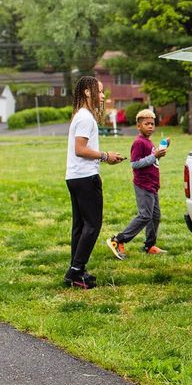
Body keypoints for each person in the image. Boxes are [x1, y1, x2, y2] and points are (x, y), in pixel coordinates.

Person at [65, 76, 124, 289]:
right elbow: (80, 149)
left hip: (75, 177)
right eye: (98, 91)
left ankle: (76, 270)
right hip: (85, 178)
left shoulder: (81, 115)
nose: (102, 96)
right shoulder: (85, 118)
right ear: (87, 92)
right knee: (92, 225)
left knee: (80, 226)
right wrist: (105, 155)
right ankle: (75, 271)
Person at [106, 109, 169, 259]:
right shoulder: (139, 142)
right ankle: (118, 240)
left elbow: (152, 160)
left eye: (152, 124)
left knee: (155, 216)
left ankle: (149, 246)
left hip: (152, 185)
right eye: (147, 124)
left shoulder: (148, 141)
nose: (150, 126)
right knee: (145, 216)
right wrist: (154, 155)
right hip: (143, 184)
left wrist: (160, 151)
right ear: (139, 126)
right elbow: (135, 164)